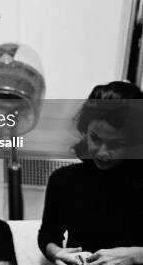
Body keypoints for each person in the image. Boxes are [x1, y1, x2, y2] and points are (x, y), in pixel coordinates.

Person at [38, 81, 143, 265]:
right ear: (85, 130)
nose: (102, 152)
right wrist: (57, 253)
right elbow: (48, 235)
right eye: (95, 138)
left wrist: (135, 255)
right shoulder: (63, 180)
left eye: (116, 144)